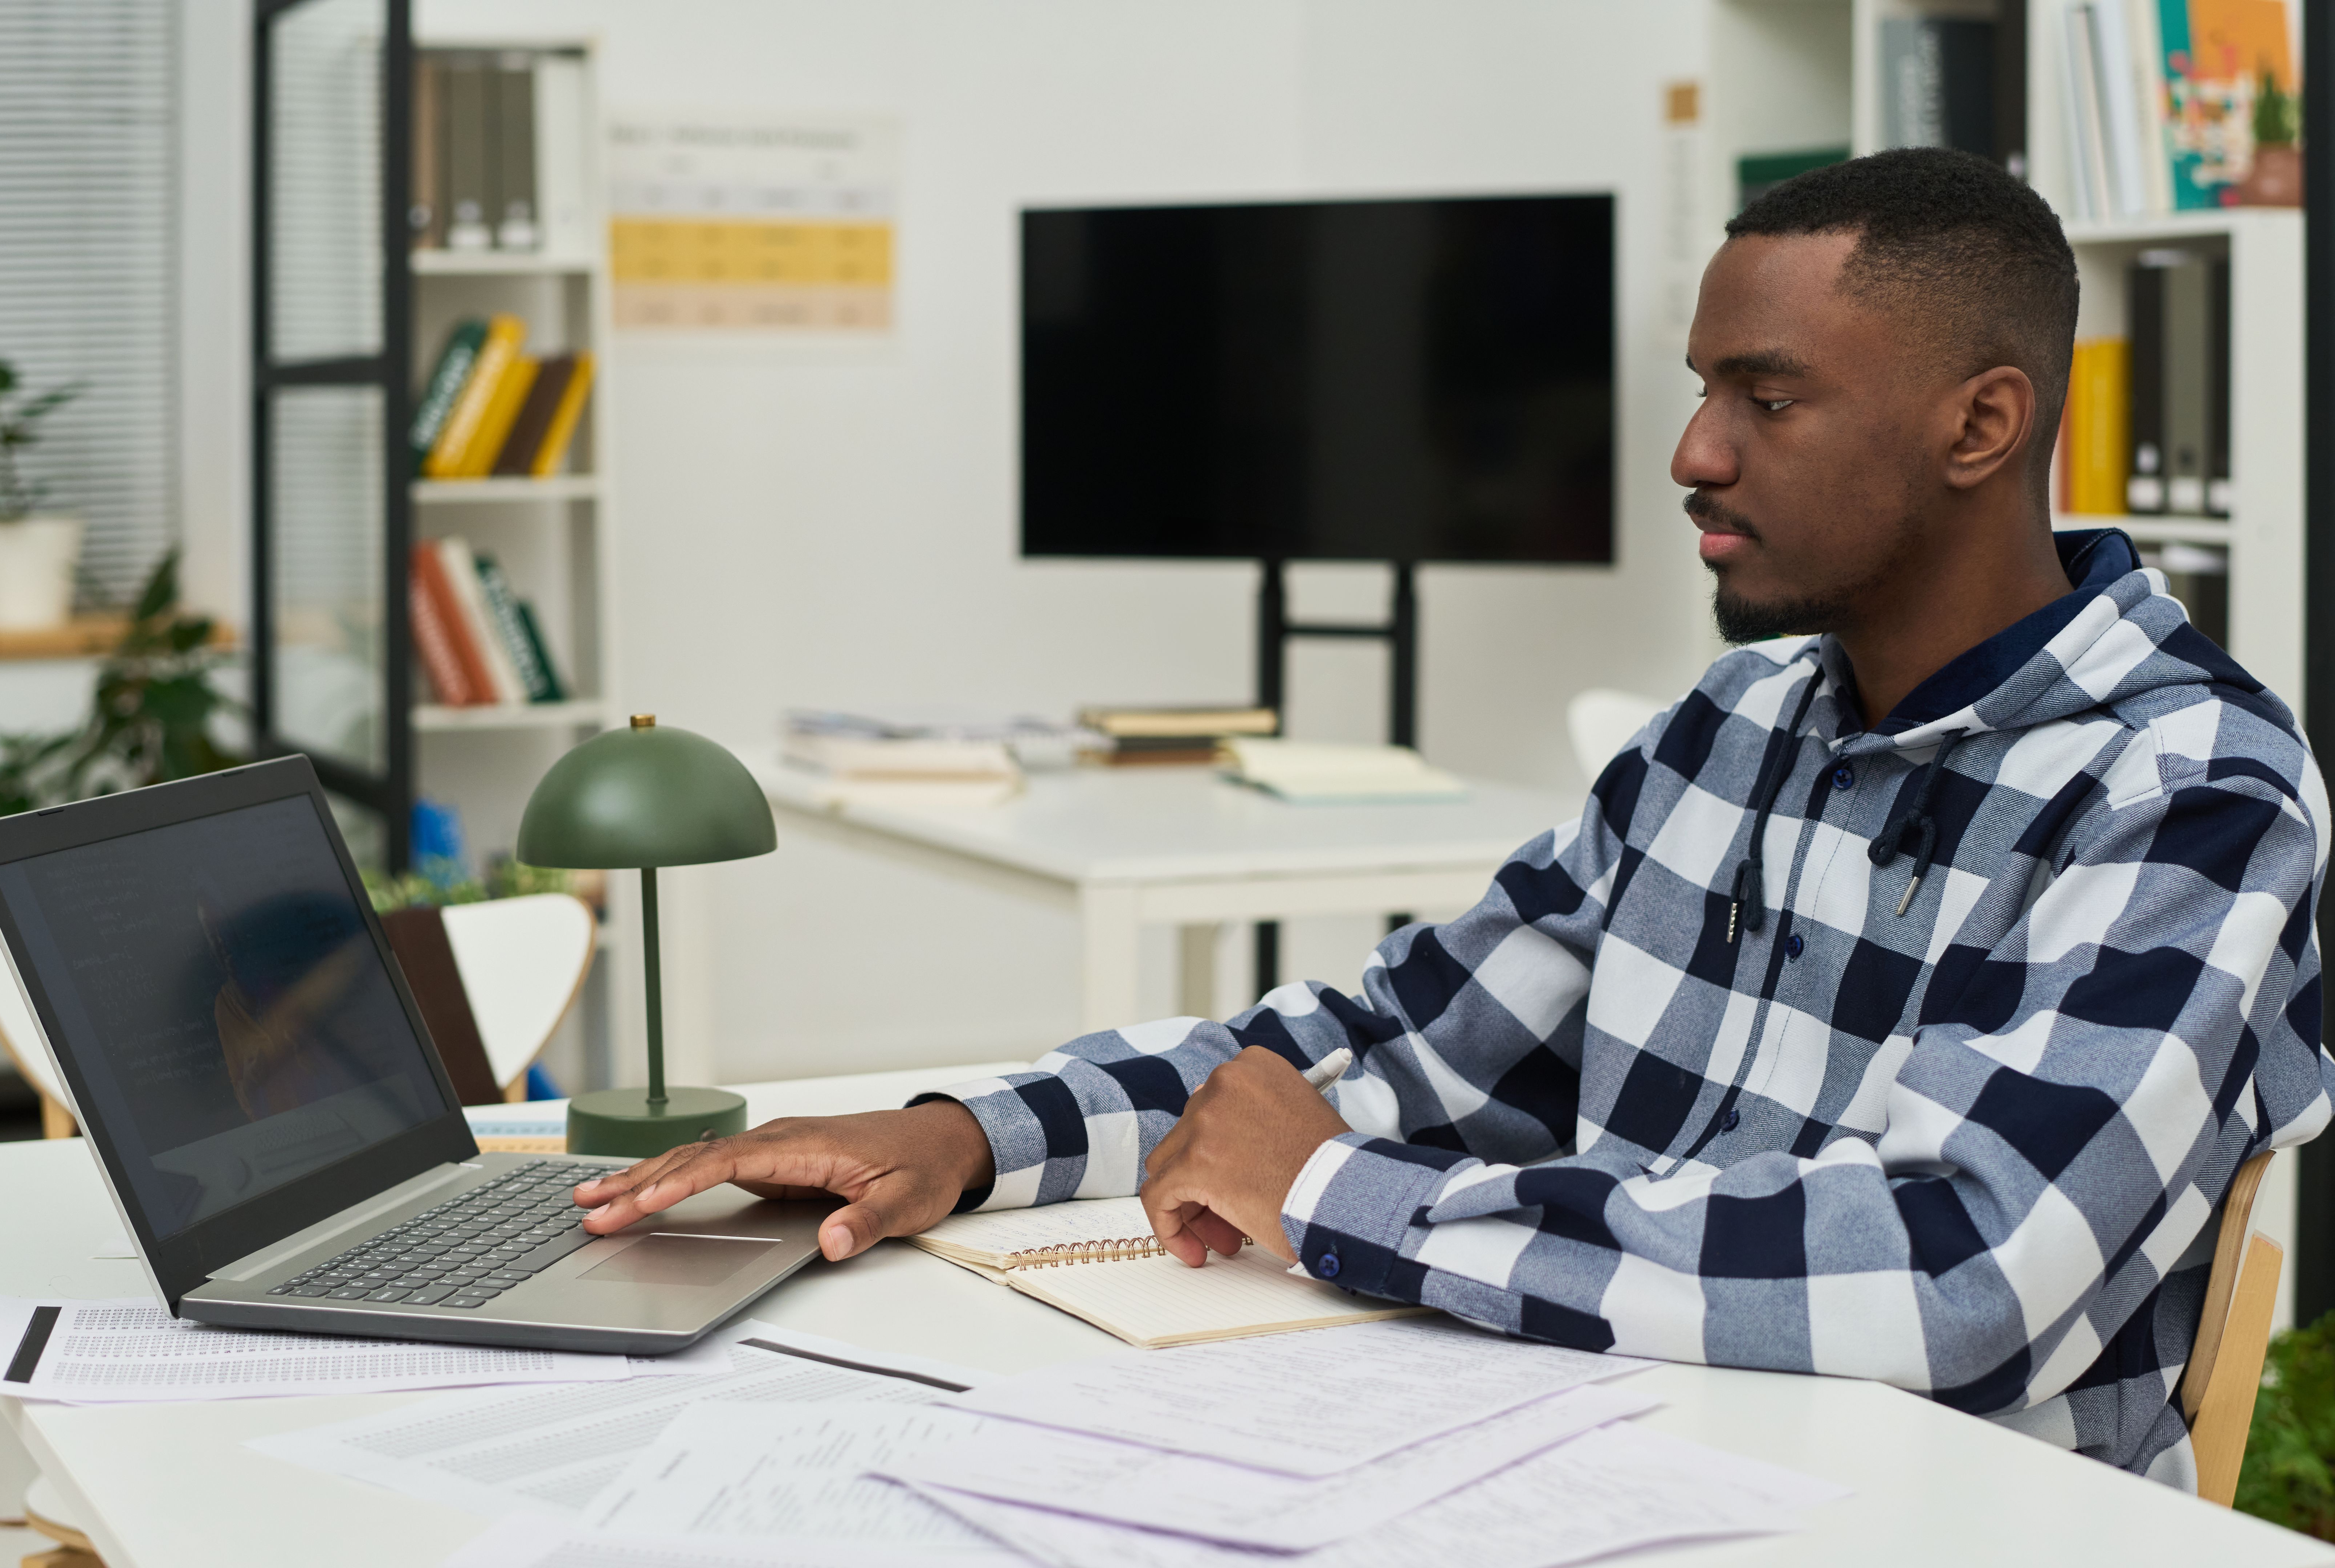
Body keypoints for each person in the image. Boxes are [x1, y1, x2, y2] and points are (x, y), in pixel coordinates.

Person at [574, 147, 2331, 1488]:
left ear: (1983, 424)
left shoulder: (2188, 796)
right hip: (1602, 1457)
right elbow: (1395, 1044)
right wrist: (968, 1134)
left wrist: (1347, 1196)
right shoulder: (1731, 732)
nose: (1693, 457)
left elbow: (1967, 1273)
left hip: (1913, 1513)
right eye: (1703, 389)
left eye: (1768, 399)